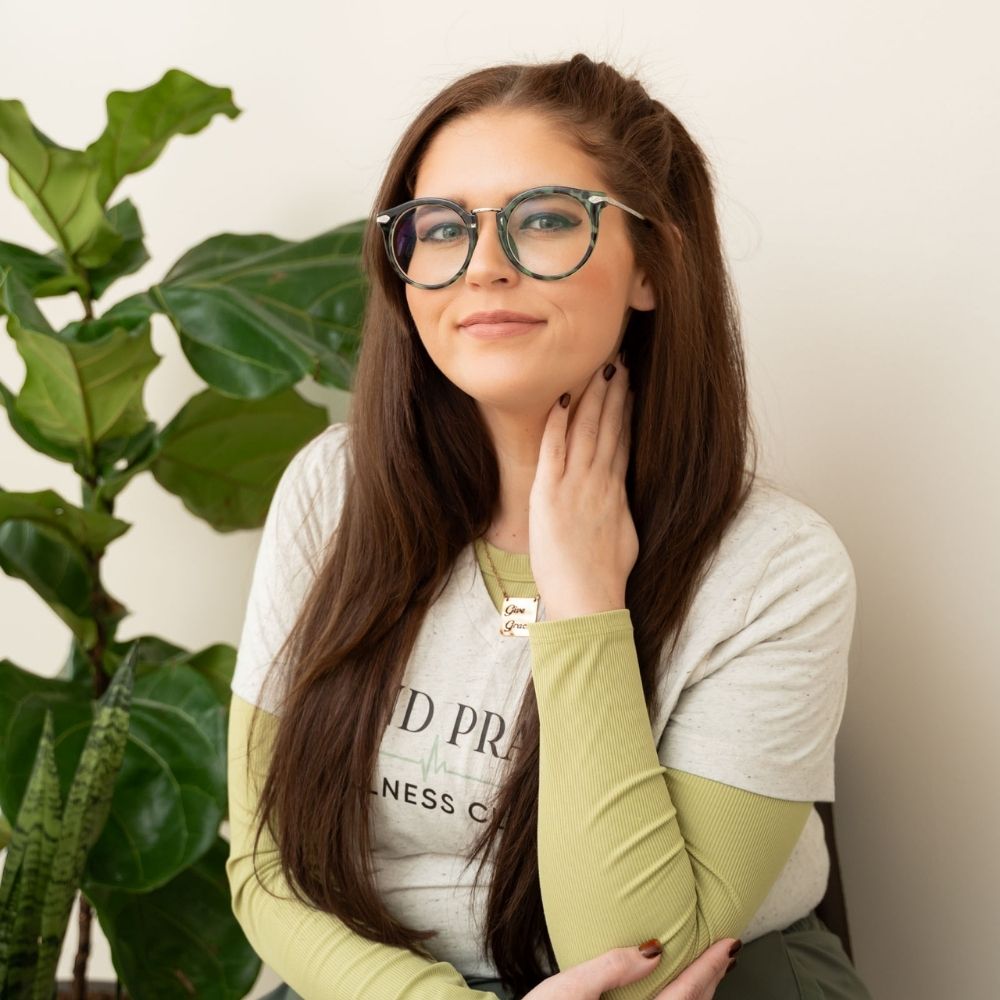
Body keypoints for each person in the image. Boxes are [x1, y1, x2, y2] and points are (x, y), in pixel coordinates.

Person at [225, 53, 874, 999]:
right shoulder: (333, 490)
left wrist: (582, 602)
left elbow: (641, 953)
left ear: (651, 264)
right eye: (441, 228)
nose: (483, 265)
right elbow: (263, 870)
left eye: (544, 220)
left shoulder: (776, 566)